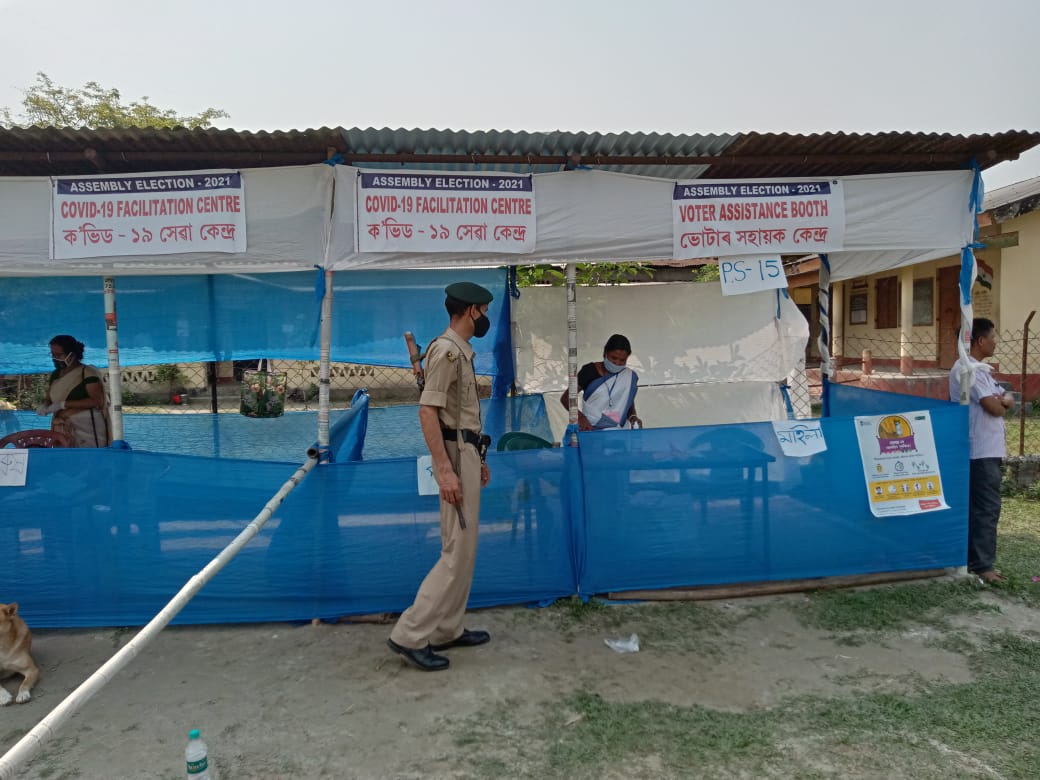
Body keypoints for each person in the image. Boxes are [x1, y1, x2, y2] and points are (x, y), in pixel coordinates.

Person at [387, 282, 493, 671]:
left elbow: (458, 414)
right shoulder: (448, 352)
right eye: (483, 310)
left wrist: (475, 456)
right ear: (471, 312)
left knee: (464, 549)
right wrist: (446, 470)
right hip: (452, 455)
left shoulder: (455, 351)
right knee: (455, 552)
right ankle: (410, 634)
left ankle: (448, 627)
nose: (485, 319)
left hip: (464, 451)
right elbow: (427, 412)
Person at [949, 318, 1014, 584]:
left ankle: (976, 559)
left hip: (988, 450)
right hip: (979, 451)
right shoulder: (968, 370)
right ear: (979, 340)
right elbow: (996, 406)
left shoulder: (981, 370)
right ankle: (983, 565)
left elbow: (1007, 396)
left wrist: (1005, 400)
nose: (996, 341)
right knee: (985, 508)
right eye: (993, 336)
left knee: (982, 507)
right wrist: (1003, 402)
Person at [37, 335, 112, 448]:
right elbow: (49, 397)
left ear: (72, 354)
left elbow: (97, 401)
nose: (54, 358)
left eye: (58, 355)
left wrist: (63, 405)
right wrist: (45, 405)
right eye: (52, 354)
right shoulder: (56, 375)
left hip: (87, 428)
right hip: (62, 426)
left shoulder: (87, 373)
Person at [560, 334, 642, 431]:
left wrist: (633, 416)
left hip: (618, 432)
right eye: (614, 358)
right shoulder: (589, 371)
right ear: (605, 353)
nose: (617, 363)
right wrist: (580, 417)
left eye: (622, 360)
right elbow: (566, 398)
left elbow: (627, 401)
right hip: (589, 428)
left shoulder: (628, 376)